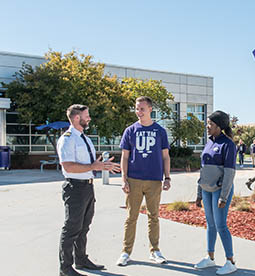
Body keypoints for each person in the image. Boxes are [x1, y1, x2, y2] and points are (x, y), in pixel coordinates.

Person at [57, 104, 121, 276]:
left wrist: (100, 165)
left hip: (87, 187)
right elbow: (68, 166)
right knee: (72, 228)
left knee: (84, 227)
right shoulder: (67, 139)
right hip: (75, 188)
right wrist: (94, 166)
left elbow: (89, 165)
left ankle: (81, 260)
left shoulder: (83, 138)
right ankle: (65, 268)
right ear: (77, 118)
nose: (89, 118)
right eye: (87, 115)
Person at [116, 96, 171, 266]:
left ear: (150, 110)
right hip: (134, 180)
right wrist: (123, 179)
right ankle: (126, 252)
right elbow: (124, 157)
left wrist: (167, 177)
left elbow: (165, 156)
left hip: (154, 180)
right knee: (131, 217)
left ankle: (155, 251)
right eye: (137, 109)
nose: (138, 112)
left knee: (153, 217)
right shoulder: (130, 130)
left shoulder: (160, 131)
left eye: (142, 109)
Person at [194, 110, 237, 275]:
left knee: (221, 225)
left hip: (220, 191)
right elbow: (202, 170)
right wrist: (199, 193)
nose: (207, 126)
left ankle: (230, 261)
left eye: (210, 123)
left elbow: (229, 173)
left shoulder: (228, 145)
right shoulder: (209, 142)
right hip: (206, 190)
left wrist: (224, 196)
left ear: (219, 126)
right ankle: (210, 258)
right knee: (210, 225)